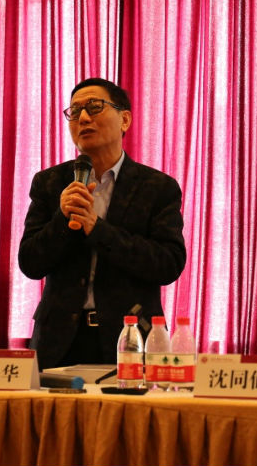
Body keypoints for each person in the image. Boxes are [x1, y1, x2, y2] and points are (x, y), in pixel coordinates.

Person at [19, 78, 186, 370]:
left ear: (125, 119)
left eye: (94, 107)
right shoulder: (50, 182)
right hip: (58, 342)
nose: (83, 118)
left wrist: (97, 229)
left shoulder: (158, 187)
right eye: (74, 111)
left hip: (130, 338)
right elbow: (30, 263)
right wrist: (62, 219)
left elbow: (168, 264)